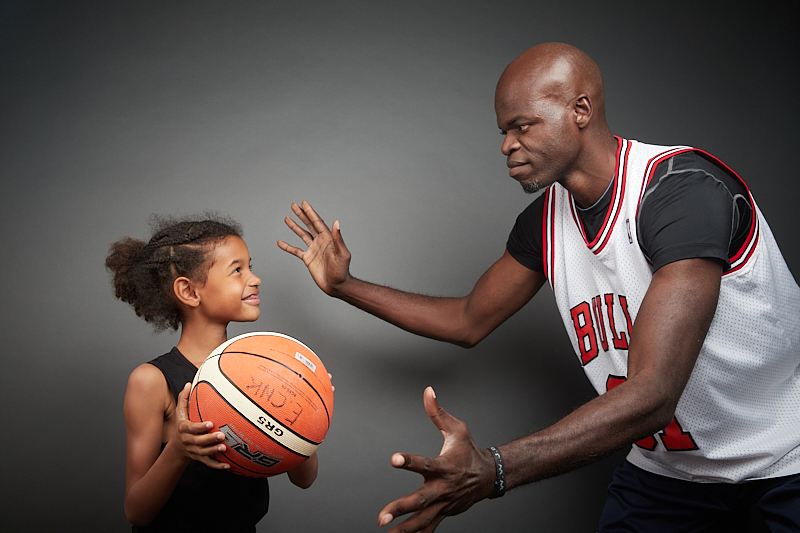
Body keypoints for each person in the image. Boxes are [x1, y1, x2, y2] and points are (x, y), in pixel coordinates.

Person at [277, 42, 800, 532]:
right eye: (504, 131)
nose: (507, 145)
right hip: (670, 475)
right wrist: (345, 286)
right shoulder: (544, 224)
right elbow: (466, 320)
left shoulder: (681, 191)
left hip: (785, 460)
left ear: (580, 110)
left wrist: (495, 468)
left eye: (522, 126)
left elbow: (654, 393)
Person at [106, 215, 319, 532]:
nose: (255, 278)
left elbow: (305, 479)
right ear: (189, 292)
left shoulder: (263, 371)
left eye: (250, 266)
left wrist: (308, 407)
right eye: (237, 270)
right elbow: (136, 512)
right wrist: (178, 450)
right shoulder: (151, 381)